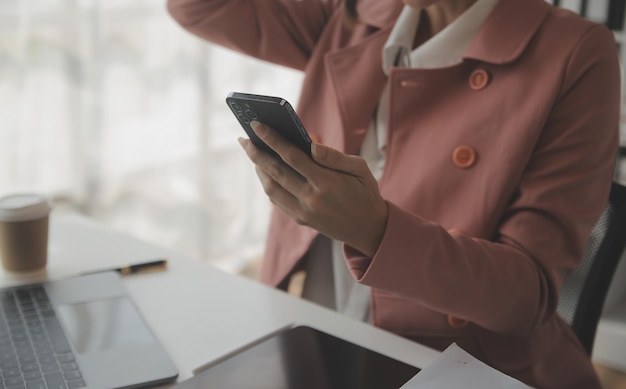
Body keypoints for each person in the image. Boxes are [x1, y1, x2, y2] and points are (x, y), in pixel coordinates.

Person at [167, 0, 621, 387]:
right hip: (316, 338)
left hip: (460, 366)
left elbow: (527, 297)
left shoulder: (574, 54)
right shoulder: (358, 14)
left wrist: (375, 231)